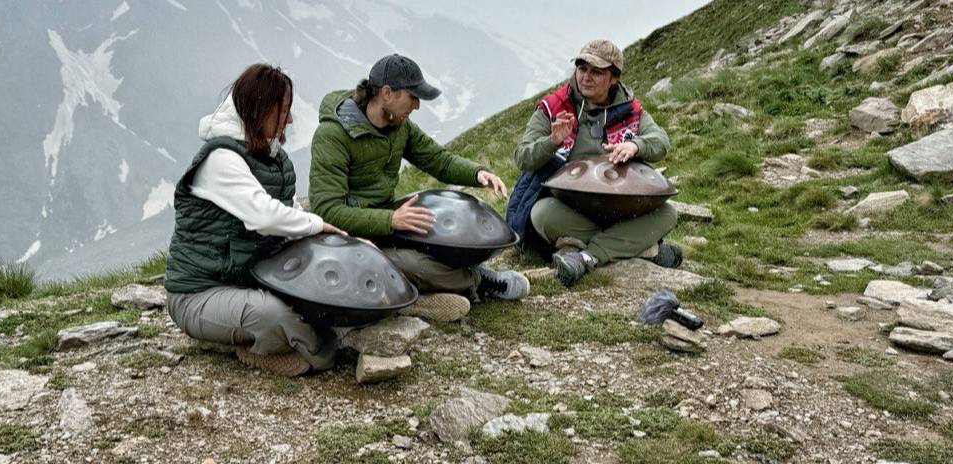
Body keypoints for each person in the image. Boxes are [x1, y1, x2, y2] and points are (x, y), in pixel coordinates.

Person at [308, 54, 529, 321]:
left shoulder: (399, 125)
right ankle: (477, 282)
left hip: (386, 221)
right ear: (387, 93)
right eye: (412, 96)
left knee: (433, 231)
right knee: (415, 264)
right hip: (345, 234)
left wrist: (477, 173)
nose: (417, 105)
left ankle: (413, 294)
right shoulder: (332, 135)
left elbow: (437, 160)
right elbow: (327, 210)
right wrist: (391, 219)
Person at [165, 63, 345, 377]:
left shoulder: (272, 158)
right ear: (261, 110)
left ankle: (274, 340)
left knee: (319, 300)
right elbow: (263, 215)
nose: (288, 119)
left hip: (250, 281)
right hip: (199, 295)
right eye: (283, 110)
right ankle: (259, 348)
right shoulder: (221, 159)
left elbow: (289, 211)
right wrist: (317, 225)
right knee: (276, 315)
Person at [507, 39, 678, 287]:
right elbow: (522, 157)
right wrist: (552, 141)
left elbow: (660, 141)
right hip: (568, 208)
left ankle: (585, 256)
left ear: (614, 78)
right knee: (541, 213)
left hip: (619, 208)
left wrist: (635, 145)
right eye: (581, 68)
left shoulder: (630, 110)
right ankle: (642, 248)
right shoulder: (554, 107)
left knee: (668, 213)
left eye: (596, 72)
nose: (585, 77)